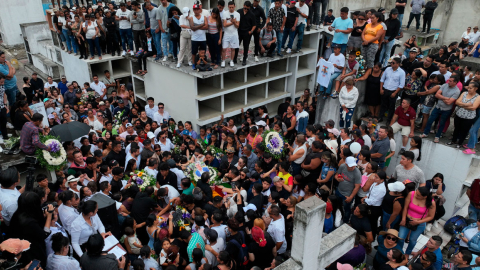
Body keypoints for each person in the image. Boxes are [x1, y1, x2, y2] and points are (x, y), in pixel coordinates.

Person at [10, 192, 55, 268]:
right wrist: (49, 215)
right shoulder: (29, 223)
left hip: (21, 250)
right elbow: (44, 234)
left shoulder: (17, 214)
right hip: (32, 253)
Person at [421, 77, 461, 143]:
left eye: (451, 81)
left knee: (442, 123)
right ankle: (425, 133)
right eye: (449, 80)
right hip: (438, 107)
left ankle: (437, 136)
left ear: (455, 82)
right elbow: (437, 95)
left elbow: (449, 102)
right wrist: (446, 98)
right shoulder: (444, 85)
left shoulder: (457, 91)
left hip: (446, 109)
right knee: (430, 120)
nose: (449, 82)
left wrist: (441, 97)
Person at [398, 186, 436, 255]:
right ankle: (400, 251)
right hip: (407, 220)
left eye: (418, 195)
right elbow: (405, 207)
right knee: (401, 237)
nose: (416, 195)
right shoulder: (411, 194)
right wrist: (403, 219)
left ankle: (407, 253)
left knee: (412, 240)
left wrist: (417, 222)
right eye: (416, 192)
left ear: (425, 197)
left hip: (419, 223)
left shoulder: (431, 202)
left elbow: (431, 216)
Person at [449, 82, 480, 148]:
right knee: (456, 128)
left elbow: (473, 108)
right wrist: (467, 104)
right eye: (468, 87)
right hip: (459, 114)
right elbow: (457, 102)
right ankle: (453, 140)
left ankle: (460, 143)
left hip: (469, 117)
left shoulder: (478, 97)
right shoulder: (464, 93)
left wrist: (462, 104)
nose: (468, 89)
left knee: (464, 130)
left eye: (471, 88)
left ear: (476, 89)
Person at [335, 156, 361, 223]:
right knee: (337, 205)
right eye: (351, 166)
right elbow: (337, 174)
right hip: (339, 191)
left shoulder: (357, 172)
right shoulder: (342, 166)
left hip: (347, 195)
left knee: (347, 209)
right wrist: (337, 178)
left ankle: (345, 221)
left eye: (353, 166)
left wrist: (351, 197)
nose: (353, 167)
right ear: (346, 164)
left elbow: (357, 186)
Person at [379, 57, 406, 123]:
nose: (391, 64)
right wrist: (381, 89)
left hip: (393, 91)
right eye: (391, 62)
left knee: (391, 106)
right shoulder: (388, 69)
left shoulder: (401, 72)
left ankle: (389, 120)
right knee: (383, 104)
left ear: (398, 64)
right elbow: (382, 79)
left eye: (393, 63)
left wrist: (395, 93)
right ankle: (380, 117)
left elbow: (401, 84)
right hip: (385, 89)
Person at [222, 1, 241, 67]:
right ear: (228, 7)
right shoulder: (225, 13)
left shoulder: (237, 14)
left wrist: (234, 23)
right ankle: (223, 61)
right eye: (230, 7)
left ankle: (232, 60)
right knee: (224, 48)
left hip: (234, 34)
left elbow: (238, 26)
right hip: (227, 33)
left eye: (232, 7)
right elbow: (224, 24)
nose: (231, 8)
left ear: (234, 7)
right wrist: (232, 22)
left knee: (233, 48)